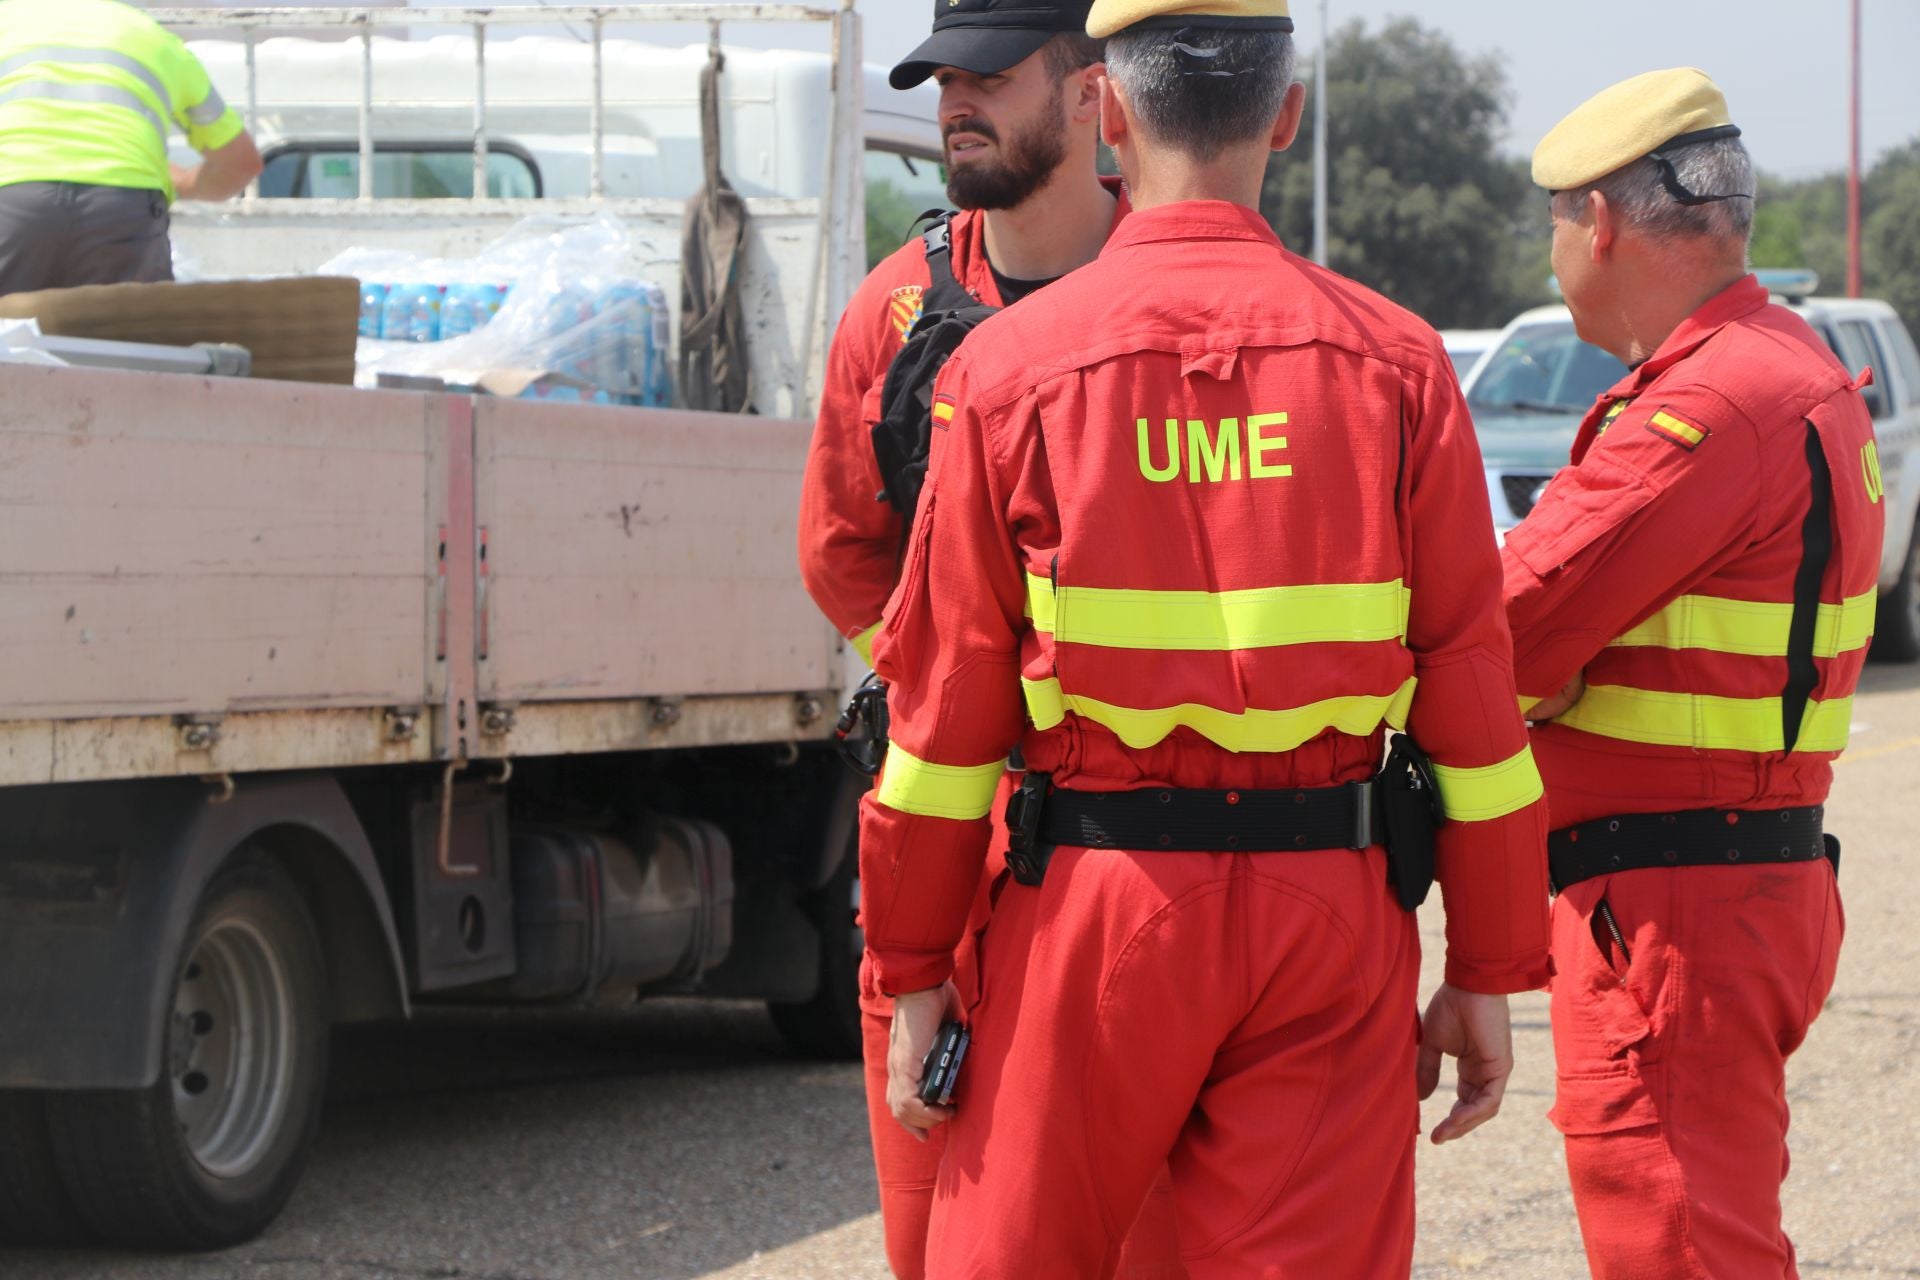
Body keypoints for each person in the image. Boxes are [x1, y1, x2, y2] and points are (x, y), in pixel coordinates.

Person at [859, 0, 1551, 1274]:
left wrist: (911, 970)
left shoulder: (1008, 372)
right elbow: (1474, 689)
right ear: (1286, 114)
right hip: (1333, 912)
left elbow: (945, 709)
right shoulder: (1400, 367)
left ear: (1107, 114)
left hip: (1092, 904)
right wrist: (1489, 961)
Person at [793, 3, 1175, 1277]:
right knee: (934, 1228)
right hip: (952, 829)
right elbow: (842, 543)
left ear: (1089, 96)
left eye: (991, 77)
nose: (957, 102)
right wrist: (943, 686)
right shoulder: (898, 311)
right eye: (944, 77)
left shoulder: (1174, 289)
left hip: (1142, 846)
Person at [1504, 68, 1881, 1280]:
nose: (1553, 251)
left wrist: (1531, 674)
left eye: (1553, 221)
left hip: (1671, 911)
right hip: (1723, 890)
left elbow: (1500, 632)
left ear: (1600, 224)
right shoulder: (1787, 367)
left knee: (1679, 1244)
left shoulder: (1712, 404)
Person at [0, 0, 262, 296]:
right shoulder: (155, 39)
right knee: (129, 335)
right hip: (124, 207)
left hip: (11, 200)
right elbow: (241, 164)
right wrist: (182, 184)